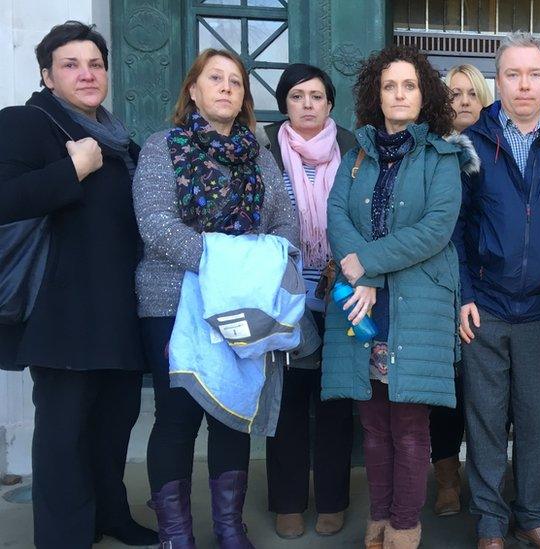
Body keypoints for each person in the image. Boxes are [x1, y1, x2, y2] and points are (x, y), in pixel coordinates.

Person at [133, 48, 298, 549]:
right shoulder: (163, 147)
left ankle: (230, 529)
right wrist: (231, 262)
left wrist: (248, 270)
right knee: (177, 418)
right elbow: (157, 225)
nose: (227, 87)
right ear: (193, 90)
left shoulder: (258, 154)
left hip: (242, 305)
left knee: (232, 415)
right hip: (172, 300)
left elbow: (287, 222)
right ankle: (176, 536)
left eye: (236, 81)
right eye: (215, 78)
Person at [0, 20, 156, 548]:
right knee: (64, 437)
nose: (87, 74)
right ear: (46, 74)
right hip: (60, 313)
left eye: (95, 64)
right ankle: (65, 536)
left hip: (117, 309)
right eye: (71, 64)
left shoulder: (118, 138)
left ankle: (109, 515)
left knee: (114, 425)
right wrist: (72, 170)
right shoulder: (27, 122)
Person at [320, 44, 474, 549]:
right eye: (390, 85)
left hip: (416, 307)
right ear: (376, 95)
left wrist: (367, 267)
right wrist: (356, 268)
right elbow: (337, 215)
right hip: (361, 305)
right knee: (373, 427)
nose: (400, 93)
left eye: (409, 85)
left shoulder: (441, 155)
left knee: (409, 427)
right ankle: (376, 523)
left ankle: (405, 529)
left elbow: (435, 230)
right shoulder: (357, 154)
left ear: (423, 93)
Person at [454, 31, 540, 549]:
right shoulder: (472, 144)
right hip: (485, 308)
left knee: (537, 420)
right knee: (486, 421)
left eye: (534, 74)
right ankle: (490, 523)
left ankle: (534, 515)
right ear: (498, 81)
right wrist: (465, 294)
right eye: (512, 74)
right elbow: (457, 230)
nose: (524, 84)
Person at [261, 63, 357, 539]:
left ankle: (334, 500)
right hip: (286, 291)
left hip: (341, 289)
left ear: (329, 103)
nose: (307, 105)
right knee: (290, 400)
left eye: (316, 96)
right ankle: (288, 500)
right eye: (297, 96)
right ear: (284, 104)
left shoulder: (353, 149)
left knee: (336, 399)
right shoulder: (264, 152)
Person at [425, 62, 493, 519]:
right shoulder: (430, 152)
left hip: (489, 291)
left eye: (472, 93)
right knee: (445, 394)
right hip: (438, 289)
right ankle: (448, 480)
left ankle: (489, 481)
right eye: (454, 93)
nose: (463, 101)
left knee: (488, 395)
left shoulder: (498, 150)